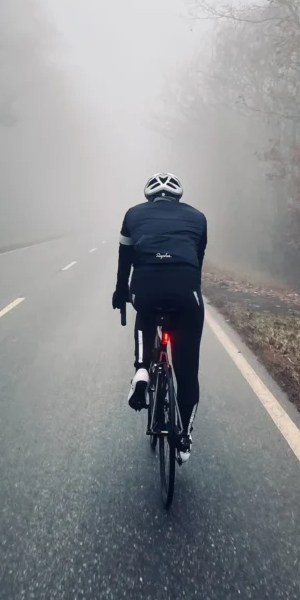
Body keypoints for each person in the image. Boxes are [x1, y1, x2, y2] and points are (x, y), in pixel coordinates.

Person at [112, 172, 207, 463]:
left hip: (147, 287)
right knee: (187, 374)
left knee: (146, 311)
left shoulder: (132, 215)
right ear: (178, 196)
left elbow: (124, 259)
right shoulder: (199, 218)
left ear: (149, 196)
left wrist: (120, 293)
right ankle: (185, 437)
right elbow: (197, 259)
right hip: (186, 291)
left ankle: (141, 369)